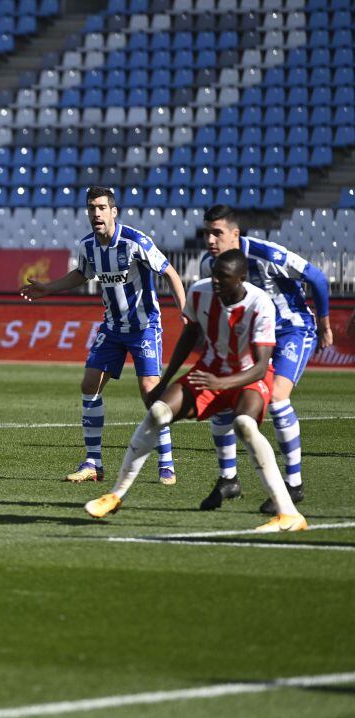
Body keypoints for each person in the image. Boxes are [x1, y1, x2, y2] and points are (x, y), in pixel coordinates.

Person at [85, 250, 307, 532]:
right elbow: (189, 335)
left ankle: (288, 513)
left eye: (223, 277)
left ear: (241, 279)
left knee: (244, 425)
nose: (215, 281)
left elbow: (262, 367)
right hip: (209, 371)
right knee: (157, 412)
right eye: (214, 274)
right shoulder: (200, 292)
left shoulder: (260, 303)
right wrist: (165, 382)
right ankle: (115, 495)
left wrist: (221, 385)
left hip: (247, 377)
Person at [20, 186, 186, 485]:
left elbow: (170, 273)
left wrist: (185, 311)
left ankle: (166, 462)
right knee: (89, 384)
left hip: (144, 327)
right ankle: (93, 463)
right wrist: (48, 287)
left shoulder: (135, 241)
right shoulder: (88, 246)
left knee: (151, 393)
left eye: (101, 207)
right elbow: (81, 274)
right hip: (112, 328)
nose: (95, 213)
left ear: (113, 211)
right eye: (91, 208)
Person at [197, 204, 332, 514]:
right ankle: (228, 478)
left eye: (217, 233)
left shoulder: (267, 254)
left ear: (235, 233)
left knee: (277, 399)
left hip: (291, 331)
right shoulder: (210, 264)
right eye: (207, 233)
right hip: (251, 338)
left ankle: (294, 484)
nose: (210, 240)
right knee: (222, 400)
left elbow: (318, 278)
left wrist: (324, 324)